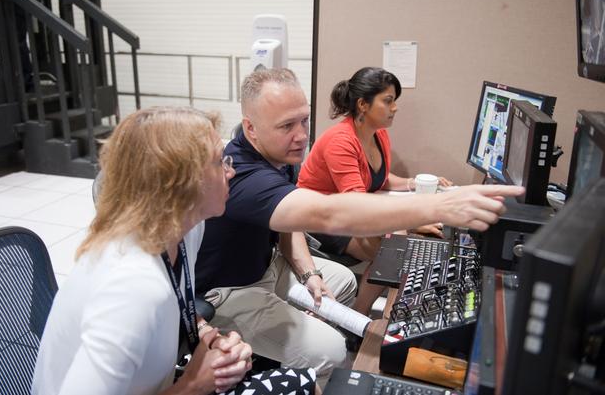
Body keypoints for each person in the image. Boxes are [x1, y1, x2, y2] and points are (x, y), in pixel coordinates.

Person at [196, 68, 524, 385]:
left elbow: (289, 224)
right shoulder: (244, 175)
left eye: (304, 120)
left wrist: (308, 273)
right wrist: (438, 207)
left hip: (267, 266)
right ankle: (307, 365)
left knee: (343, 283)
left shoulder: (276, 154)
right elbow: (327, 215)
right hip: (231, 290)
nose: (301, 135)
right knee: (332, 351)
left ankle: (291, 339)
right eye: (286, 126)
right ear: (251, 128)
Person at [31, 106, 318, 395]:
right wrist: (193, 385)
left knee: (307, 385)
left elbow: (178, 303)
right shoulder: (131, 287)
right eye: (219, 162)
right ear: (180, 185)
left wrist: (210, 337)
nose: (231, 171)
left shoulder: (187, 231)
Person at [297, 66, 450, 315]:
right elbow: (358, 205)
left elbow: (377, 178)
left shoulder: (378, 135)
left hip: (346, 210)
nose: (395, 107)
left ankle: (360, 316)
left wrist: (412, 183)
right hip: (317, 217)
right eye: (388, 101)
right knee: (393, 250)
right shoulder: (341, 141)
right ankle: (355, 319)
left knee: (400, 240)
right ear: (363, 105)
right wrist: (411, 221)